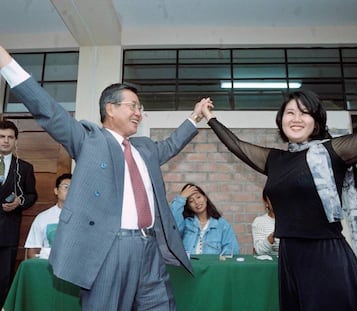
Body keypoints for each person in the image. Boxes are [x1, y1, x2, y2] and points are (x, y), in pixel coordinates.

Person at [199, 34, 357, 310]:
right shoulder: (275, 159)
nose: (296, 118)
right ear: (280, 120)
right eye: (290, 113)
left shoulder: (334, 152)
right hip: (289, 258)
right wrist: (210, 118)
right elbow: (237, 146)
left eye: (305, 113)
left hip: (328, 258)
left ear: (316, 121)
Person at [0, 46, 211, 311]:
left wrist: (195, 117)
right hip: (110, 248)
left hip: (150, 247)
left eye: (140, 107)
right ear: (110, 108)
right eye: (132, 105)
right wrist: (6, 63)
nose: (138, 112)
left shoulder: (144, 148)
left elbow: (171, 144)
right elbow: (48, 110)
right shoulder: (89, 140)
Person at [0, 120, 37, 307]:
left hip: (8, 233)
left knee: (4, 278)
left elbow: (32, 195)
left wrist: (19, 202)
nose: (5, 141)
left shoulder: (24, 167)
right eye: (1, 136)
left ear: (15, 141)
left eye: (10, 137)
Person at [170, 183, 239, 256]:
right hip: (188, 266)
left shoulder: (223, 225)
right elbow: (171, 225)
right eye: (191, 201)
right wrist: (181, 198)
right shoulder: (185, 224)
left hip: (213, 266)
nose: (196, 202)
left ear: (205, 198)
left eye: (198, 197)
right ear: (189, 206)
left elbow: (232, 251)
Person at [24, 173, 72, 259]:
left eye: (74, 188)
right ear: (56, 191)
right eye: (66, 187)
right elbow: (33, 250)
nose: (70, 191)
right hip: (47, 265)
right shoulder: (43, 218)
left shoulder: (84, 218)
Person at [252, 189, 279, 256]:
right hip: (269, 264)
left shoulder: (293, 221)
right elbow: (259, 251)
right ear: (266, 203)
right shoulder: (259, 222)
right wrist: (271, 238)